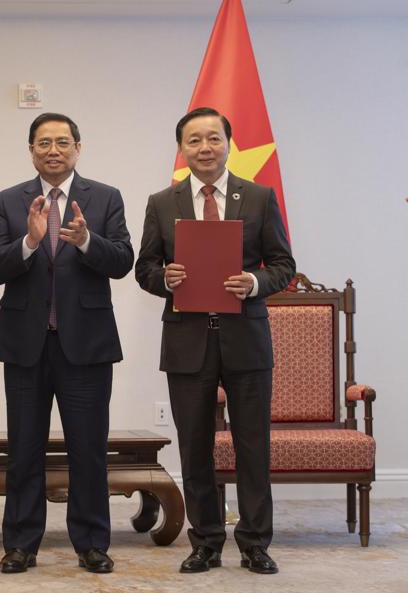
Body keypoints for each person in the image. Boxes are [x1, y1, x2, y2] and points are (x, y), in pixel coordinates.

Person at [135, 107, 296, 575]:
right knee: (195, 446)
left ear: (228, 142)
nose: (204, 148)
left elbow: (283, 265)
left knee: (252, 446)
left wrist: (254, 282)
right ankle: (204, 542)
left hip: (246, 339)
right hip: (187, 342)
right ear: (181, 149)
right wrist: (164, 278)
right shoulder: (162, 202)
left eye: (213, 139)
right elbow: (144, 269)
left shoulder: (260, 198)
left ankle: (255, 543)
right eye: (193, 140)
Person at [0, 113, 133, 574]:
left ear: (78, 148)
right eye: (43, 142)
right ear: (31, 150)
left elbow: (123, 260)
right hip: (25, 343)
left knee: (88, 448)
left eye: (62, 142)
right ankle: (21, 545)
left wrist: (88, 241)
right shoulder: (9, 201)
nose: (53, 149)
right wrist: (28, 242)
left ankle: (91, 544)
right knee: (23, 448)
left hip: (86, 345)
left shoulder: (105, 198)